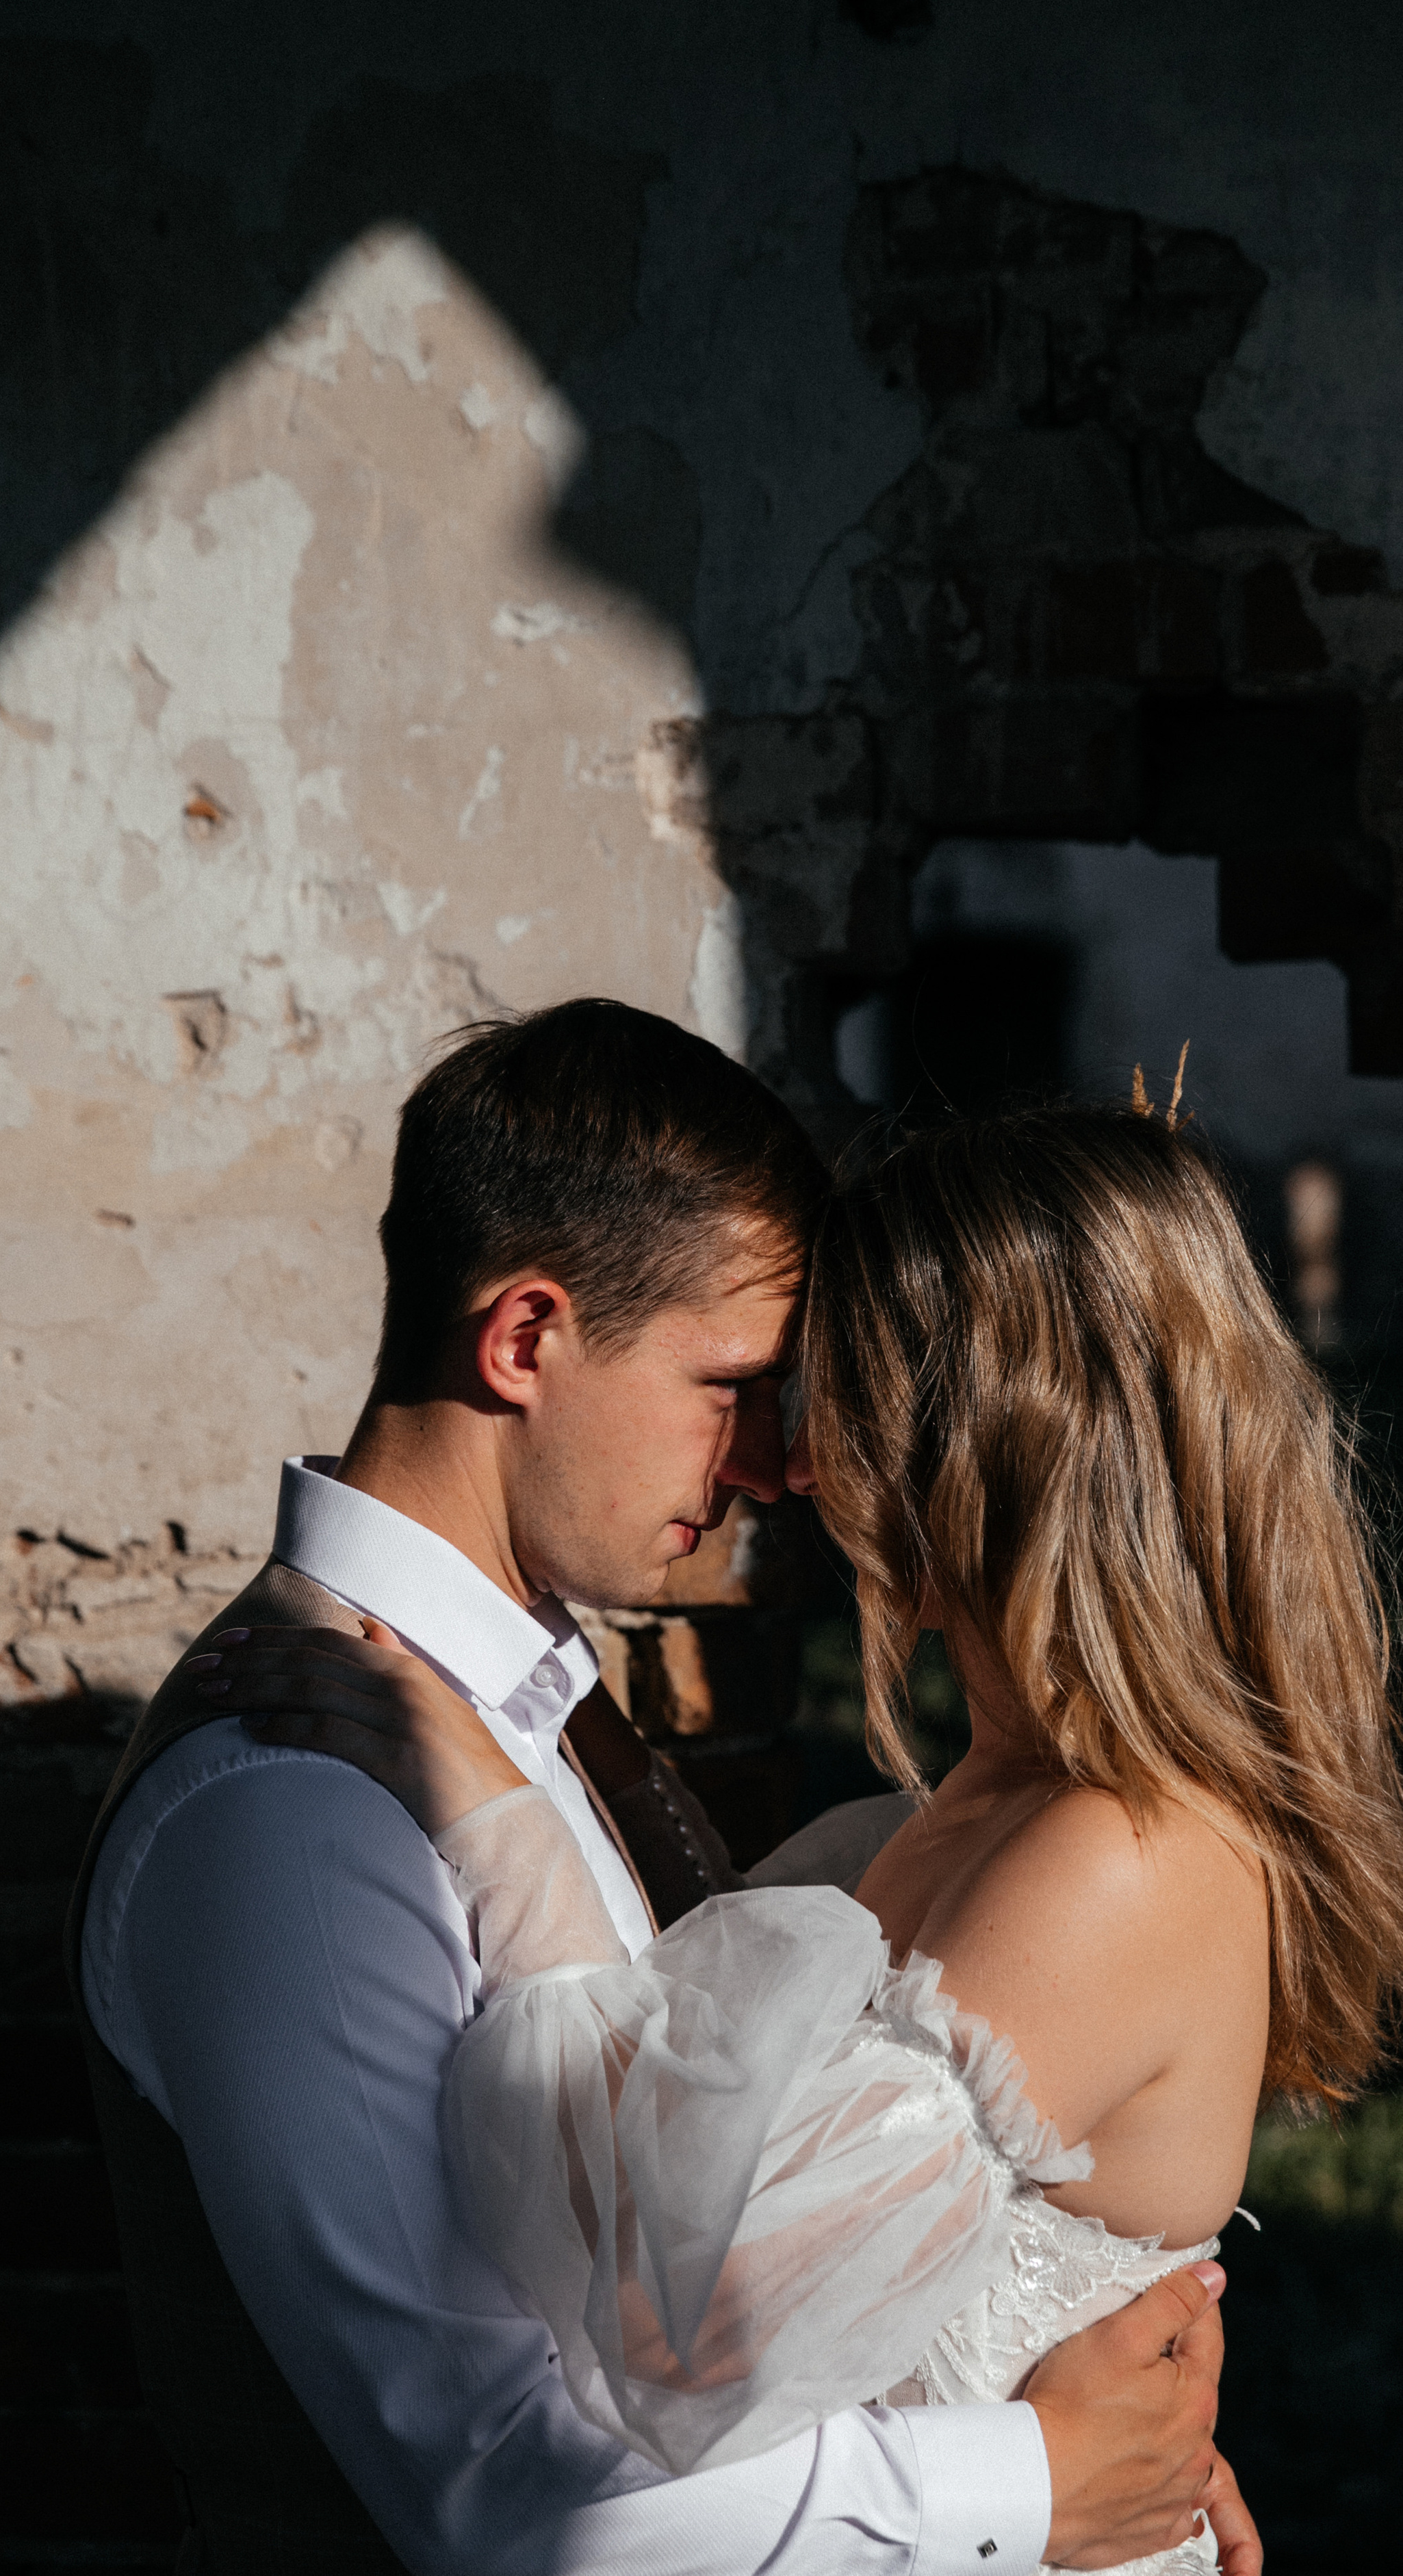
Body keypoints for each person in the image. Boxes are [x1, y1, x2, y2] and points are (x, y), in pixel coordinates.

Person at [68, 1009, 1250, 2576]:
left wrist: (1097, 2437)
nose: (777, 1468)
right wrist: (1033, 2484)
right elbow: (508, 2490)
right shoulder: (299, 1808)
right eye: (730, 1385)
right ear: (522, 1339)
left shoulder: (519, 1727)